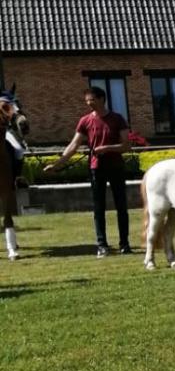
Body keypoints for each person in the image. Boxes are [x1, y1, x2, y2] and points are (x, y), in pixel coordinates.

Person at [44, 87, 132, 257]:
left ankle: (124, 244)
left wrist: (107, 148)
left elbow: (127, 145)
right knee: (98, 209)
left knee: (121, 206)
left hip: (116, 167)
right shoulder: (85, 121)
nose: (88, 103)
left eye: (91, 100)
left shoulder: (117, 119)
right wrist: (57, 164)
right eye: (86, 100)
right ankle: (102, 245)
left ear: (101, 99)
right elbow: (73, 145)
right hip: (96, 168)